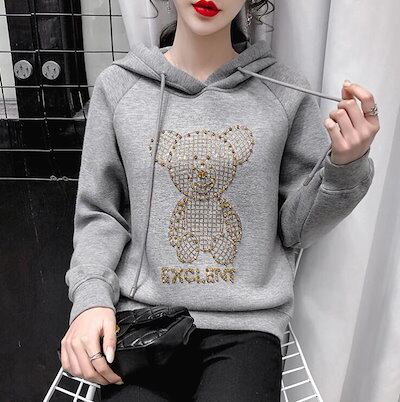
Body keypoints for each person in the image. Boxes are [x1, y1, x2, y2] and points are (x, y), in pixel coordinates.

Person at [59, 0, 380, 400]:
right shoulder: (119, 87)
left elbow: (296, 229)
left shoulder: (284, 93)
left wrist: (345, 165)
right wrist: (91, 299)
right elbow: (99, 214)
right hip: (143, 321)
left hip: (247, 327)